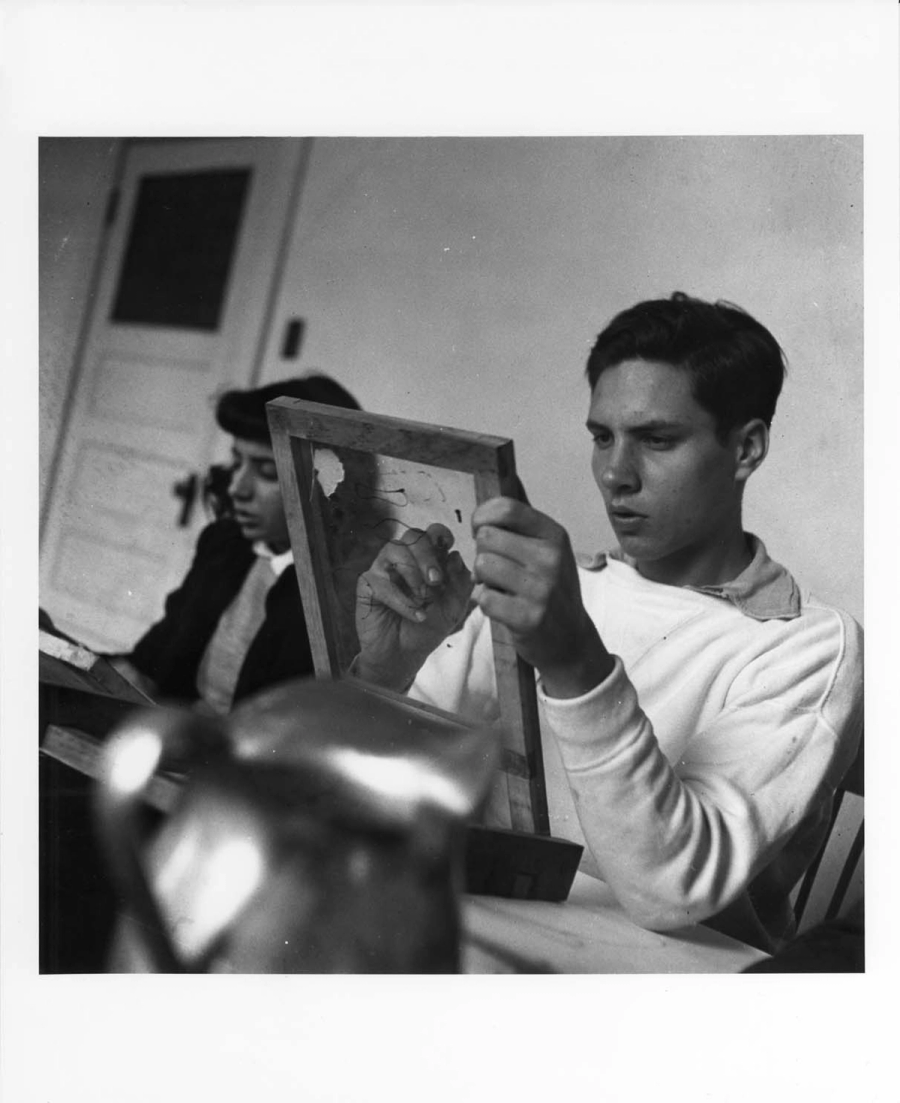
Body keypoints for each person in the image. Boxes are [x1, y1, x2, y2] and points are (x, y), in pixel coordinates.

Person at [352, 292, 863, 952]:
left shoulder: (807, 643)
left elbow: (670, 891)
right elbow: (376, 795)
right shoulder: (562, 588)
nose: (615, 474)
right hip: (475, 939)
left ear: (746, 449)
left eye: (657, 439)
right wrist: (386, 671)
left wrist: (574, 664)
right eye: (602, 437)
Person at [115, 373, 360, 714]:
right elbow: (155, 656)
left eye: (266, 471)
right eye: (237, 462)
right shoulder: (225, 543)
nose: (236, 488)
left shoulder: (344, 591)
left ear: (329, 485)